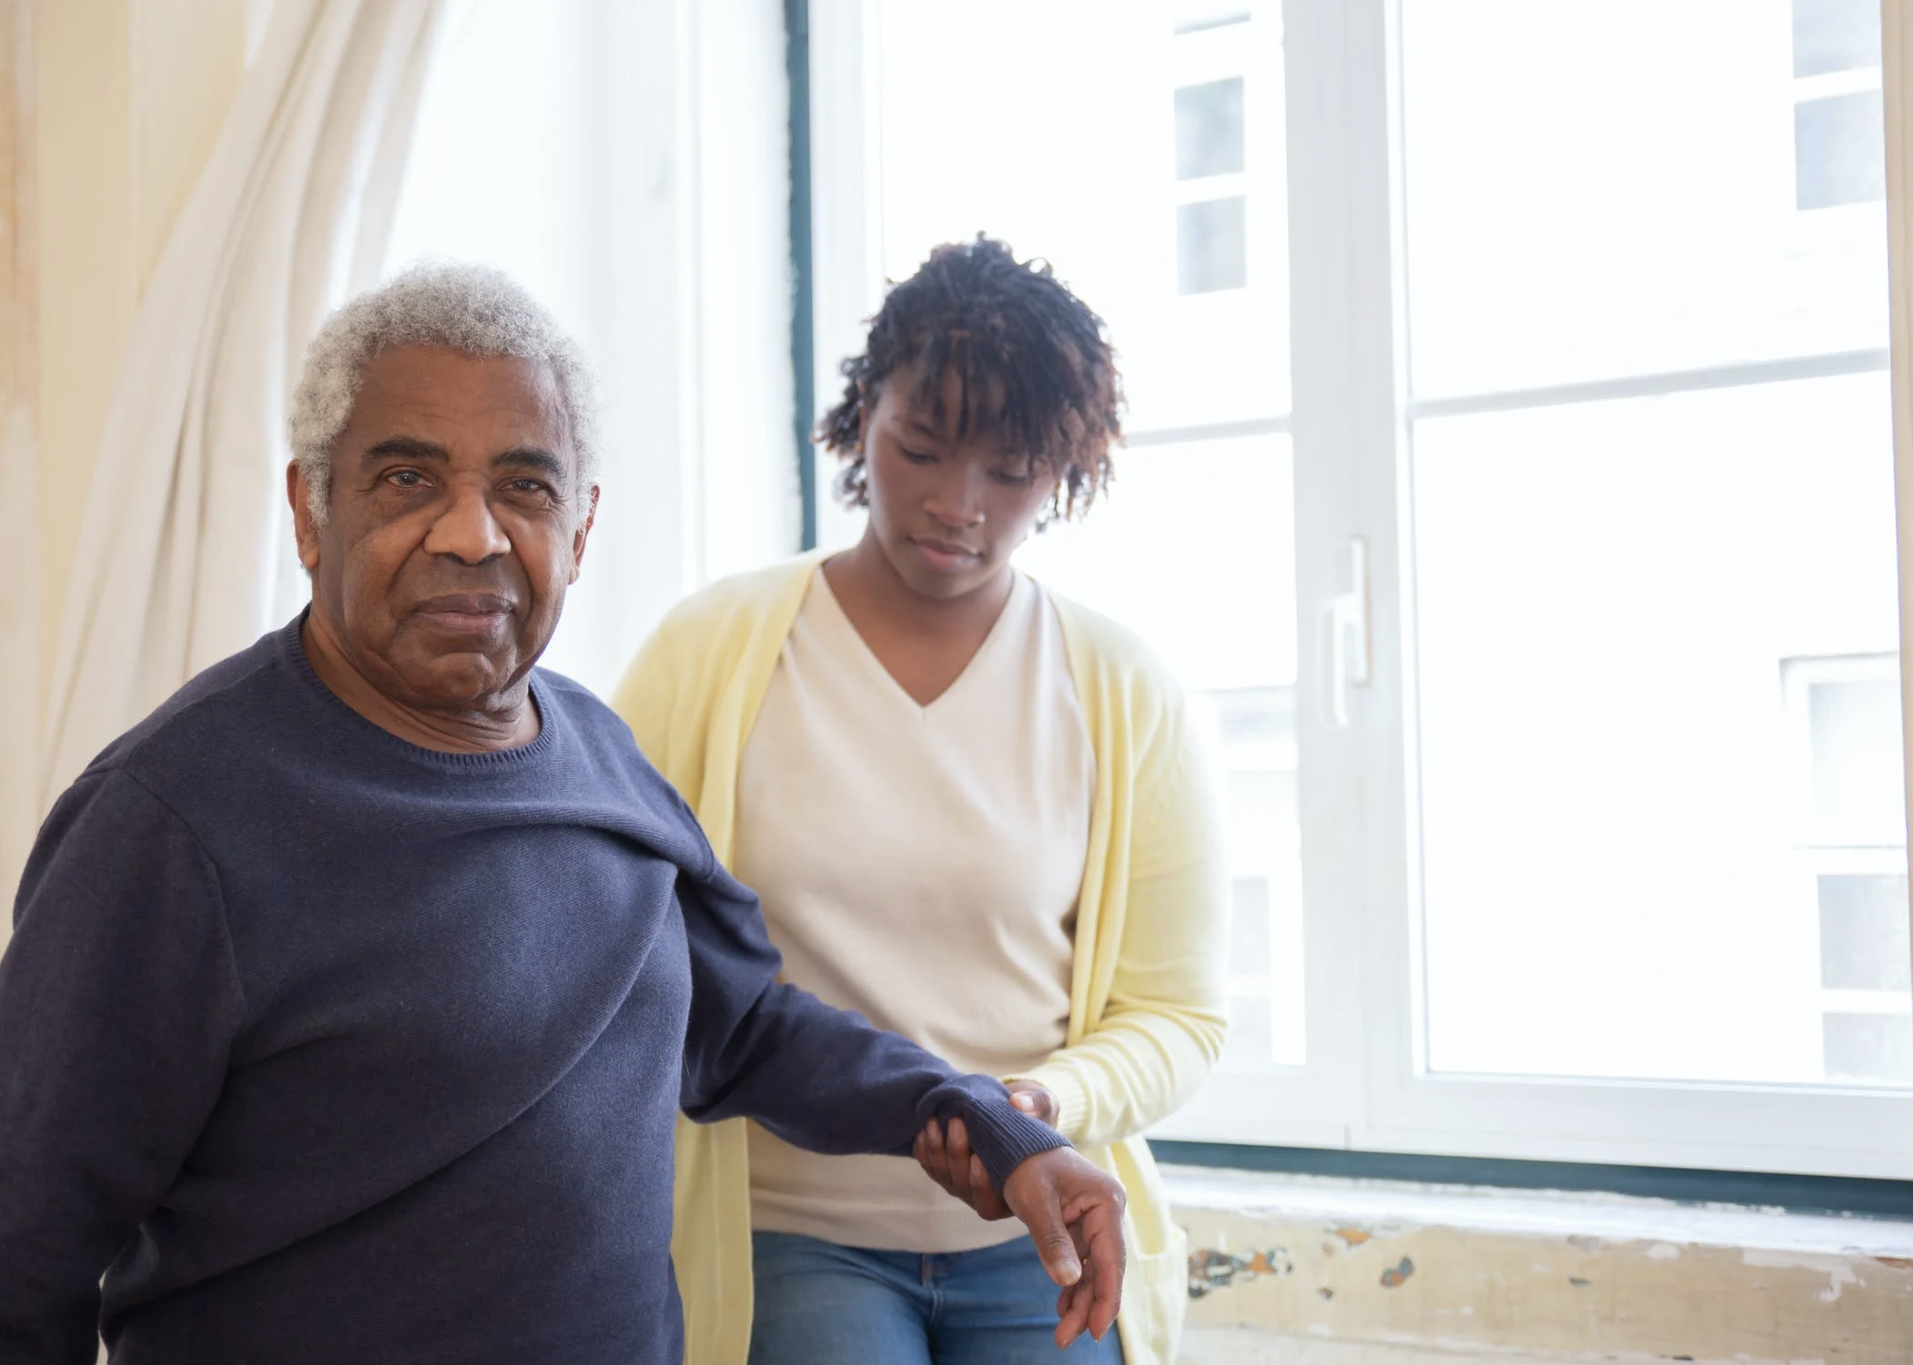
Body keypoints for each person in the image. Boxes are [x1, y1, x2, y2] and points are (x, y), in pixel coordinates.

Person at [0, 263, 1127, 1365]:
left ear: (579, 530)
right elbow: (24, 1249)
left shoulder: (598, 754)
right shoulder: (168, 824)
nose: (473, 535)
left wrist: (984, 1120)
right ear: (309, 508)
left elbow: (741, 1031)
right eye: (406, 479)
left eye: (524, 488)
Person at [613, 236, 1231, 1365]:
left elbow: (1179, 1015)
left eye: (1008, 473)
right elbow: (619, 944)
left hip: (1040, 1225)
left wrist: (1035, 1107)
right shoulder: (706, 654)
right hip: (789, 1228)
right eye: (921, 449)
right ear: (863, 417)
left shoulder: (1120, 688)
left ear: (1068, 468)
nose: (956, 506)